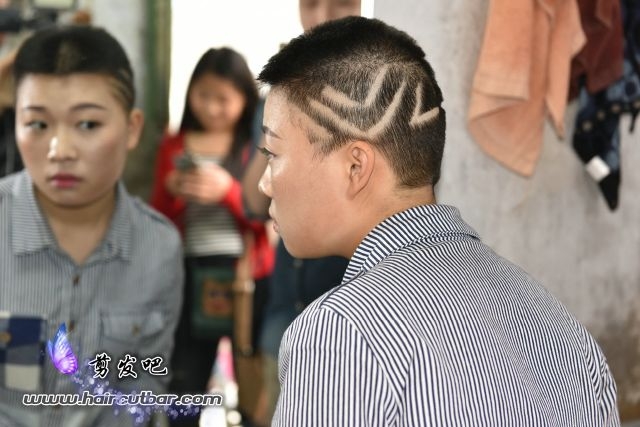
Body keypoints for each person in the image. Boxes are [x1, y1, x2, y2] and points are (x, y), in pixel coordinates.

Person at [256, 17, 621, 426]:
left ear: (355, 167)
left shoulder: (340, 333)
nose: (264, 183)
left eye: (273, 154)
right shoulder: (553, 319)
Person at [0, 26, 183, 427]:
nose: (60, 151)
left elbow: (144, 387)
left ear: (132, 128)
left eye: (87, 125)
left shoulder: (159, 247)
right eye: (38, 124)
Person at [241, 0, 360, 420]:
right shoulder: (280, 90)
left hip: (358, 333)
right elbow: (254, 203)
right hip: (284, 324)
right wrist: (281, 108)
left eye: (341, 3)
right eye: (310, 4)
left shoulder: (376, 94)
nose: (322, 18)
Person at [150, 47, 274, 425]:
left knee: (251, 378)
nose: (212, 107)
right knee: (185, 380)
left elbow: (267, 216)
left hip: (246, 278)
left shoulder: (255, 146)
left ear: (244, 99)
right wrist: (173, 191)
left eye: (224, 99)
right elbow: (157, 220)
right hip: (189, 275)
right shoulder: (175, 144)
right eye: (203, 95)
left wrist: (229, 192)